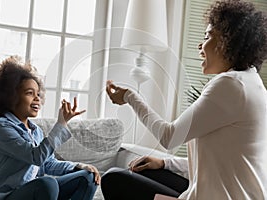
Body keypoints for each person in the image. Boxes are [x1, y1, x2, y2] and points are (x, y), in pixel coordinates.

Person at [102, 0, 267, 199]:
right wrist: (165, 163)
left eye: (207, 36)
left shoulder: (230, 85)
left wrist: (130, 96)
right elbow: (220, 162)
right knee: (147, 171)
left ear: (228, 41)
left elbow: (169, 137)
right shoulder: (251, 83)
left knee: (114, 179)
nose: (200, 44)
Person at [0, 55, 101, 200]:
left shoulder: (35, 131)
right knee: (47, 184)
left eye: (38, 93)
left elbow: (47, 164)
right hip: (6, 196)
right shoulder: (2, 127)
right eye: (29, 93)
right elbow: (36, 157)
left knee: (88, 177)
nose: (37, 98)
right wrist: (61, 124)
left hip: (32, 193)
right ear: (10, 97)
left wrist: (78, 166)